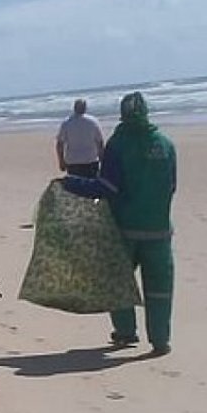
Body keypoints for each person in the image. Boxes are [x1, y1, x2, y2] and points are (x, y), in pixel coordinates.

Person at [64, 92, 176, 356]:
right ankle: (160, 340)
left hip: (124, 228)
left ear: (123, 115)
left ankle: (126, 332)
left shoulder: (118, 145)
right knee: (160, 288)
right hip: (159, 229)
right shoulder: (165, 144)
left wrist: (70, 184)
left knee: (117, 281)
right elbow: (172, 186)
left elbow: (106, 187)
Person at [56, 98, 105, 178]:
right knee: (91, 184)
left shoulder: (67, 123)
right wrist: (102, 159)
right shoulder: (93, 122)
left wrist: (61, 161)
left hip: (73, 161)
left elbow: (60, 144)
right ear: (85, 108)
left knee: (75, 184)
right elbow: (100, 142)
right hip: (90, 160)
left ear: (74, 108)